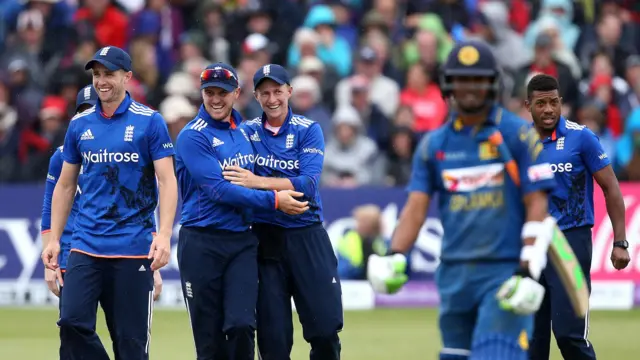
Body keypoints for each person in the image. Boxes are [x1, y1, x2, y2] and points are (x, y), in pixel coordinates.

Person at [367, 40, 557, 360]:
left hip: (504, 273)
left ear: (492, 83)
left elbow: (537, 203)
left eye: (478, 79)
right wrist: (394, 253)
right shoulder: (433, 145)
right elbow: (415, 208)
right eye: (462, 79)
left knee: (496, 354)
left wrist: (528, 268)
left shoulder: (517, 135)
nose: (470, 87)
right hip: (454, 275)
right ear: (449, 83)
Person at [41, 46, 178, 360]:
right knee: (72, 323)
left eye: (109, 74)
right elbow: (65, 185)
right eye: (97, 74)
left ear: (127, 77)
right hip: (85, 245)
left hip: (133, 248)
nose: (102, 81)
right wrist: (55, 239)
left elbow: (168, 181)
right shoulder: (79, 125)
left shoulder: (150, 122)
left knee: (130, 346)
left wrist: (165, 235)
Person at [174, 62, 309, 360]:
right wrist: (276, 200)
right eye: (209, 92)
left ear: (236, 93)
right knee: (209, 341)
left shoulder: (245, 132)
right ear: (201, 94)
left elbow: (265, 170)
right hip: (201, 243)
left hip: (241, 243)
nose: (216, 99)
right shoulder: (192, 136)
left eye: (222, 92)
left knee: (242, 325)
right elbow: (219, 191)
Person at [222, 63, 343, 360]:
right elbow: (232, 180)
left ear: (290, 91)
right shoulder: (246, 132)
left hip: (307, 235)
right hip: (265, 239)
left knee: (326, 331)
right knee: (273, 341)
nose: (272, 99)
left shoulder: (308, 129)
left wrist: (257, 181)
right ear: (256, 96)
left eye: (277, 91)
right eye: (264, 93)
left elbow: (307, 185)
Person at [526, 74, 631, 360]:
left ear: (561, 102)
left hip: (569, 243)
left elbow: (610, 187)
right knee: (531, 341)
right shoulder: (518, 142)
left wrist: (620, 241)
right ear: (528, 106)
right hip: (531, 245)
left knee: (569, 335)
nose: (548, 109)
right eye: (541, 103)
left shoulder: (580, 137)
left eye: (553, 102)